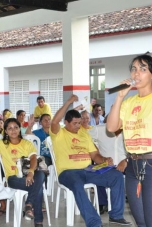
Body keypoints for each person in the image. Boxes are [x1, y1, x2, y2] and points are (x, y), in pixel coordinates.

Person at [50, 94, 131, 227]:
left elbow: (94, 155)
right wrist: (69, 101)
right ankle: (94, 222)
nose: (78, 126)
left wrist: (104, 160)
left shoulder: (84, 134)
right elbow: (54, 122)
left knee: (116, 176)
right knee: (77, 185)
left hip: (88, 170)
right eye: (75, 123)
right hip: (68, 172)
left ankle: (116, 215)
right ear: (66, 123)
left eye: (79, 123)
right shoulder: (59, 133)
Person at [106, 54, 152, 227]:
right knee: (140, 221)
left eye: (143, 69)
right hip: (133, 167)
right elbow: (111, 128)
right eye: (134, 69)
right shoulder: (128, 102)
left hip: (151, 163)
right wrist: (119, 97)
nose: (136, 73)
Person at [0, 117, 45, 227]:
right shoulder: (1, 144)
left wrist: (30, 172)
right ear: (5, 131)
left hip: (27, 175)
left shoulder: (26, 143)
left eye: (15, 127)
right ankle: (38, 221)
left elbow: (34, 158)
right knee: (38, 186)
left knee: (40, 175)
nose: (13, 130)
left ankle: (29, 204)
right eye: (9, 128)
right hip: (13, 178)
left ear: (20, 129)